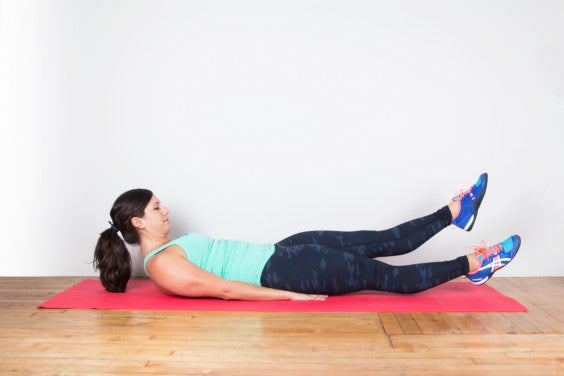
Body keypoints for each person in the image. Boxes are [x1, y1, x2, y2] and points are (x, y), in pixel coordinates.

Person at [93, 173, 521, 301]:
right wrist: (290, 298)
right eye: (155, 208)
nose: (165, 210)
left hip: (284, 250)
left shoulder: (167, 250)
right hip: (288, 273)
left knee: (383, 239)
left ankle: (455, 213)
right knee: (390, 278)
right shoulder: (163, 266)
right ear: (138, 224)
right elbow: (223, 288)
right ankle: (477, 264)